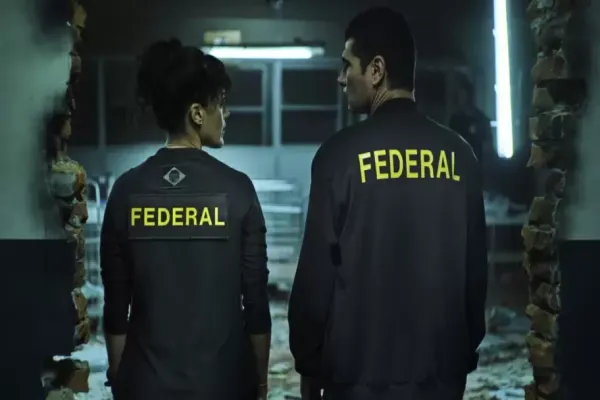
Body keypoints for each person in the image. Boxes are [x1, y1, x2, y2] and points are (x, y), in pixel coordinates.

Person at [288, 7, 488, 400]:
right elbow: (474, 277)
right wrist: (459, 357)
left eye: (347, 65)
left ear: (376, 70)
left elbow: (316, 277)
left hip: (357, 380)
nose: (341, 78)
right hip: (439, 378)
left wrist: (309, 362)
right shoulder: (460, 156)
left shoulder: (338, 156)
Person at [100, 38, 271, 400]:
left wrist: (121, 381)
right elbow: (256, 304)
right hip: (223, 385)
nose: (225, 114)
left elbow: (116, 308)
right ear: (197, 113)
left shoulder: (125, 191)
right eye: (220, 104)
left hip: (146, 386)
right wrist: (259, 383)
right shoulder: (238, 189)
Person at [448, 79, 493, 164]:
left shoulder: (481, 119)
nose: (462, 99)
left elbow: (487, 146)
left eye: (463, 95)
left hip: (476, 163)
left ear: (469, 96)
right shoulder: (455, 119)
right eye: (460, 95)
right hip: (459, 162)